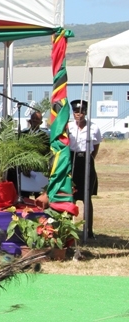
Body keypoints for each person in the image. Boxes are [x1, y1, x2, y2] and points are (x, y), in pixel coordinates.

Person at [68, 99, 102, 238]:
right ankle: (70, 230)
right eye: (76, 111)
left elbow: (96, 146)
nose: (79, 114)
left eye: (81, 111)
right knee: (71, 196)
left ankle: (88, 230)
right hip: (72, 160)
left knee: (87, 198)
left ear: (86, 112)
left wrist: (89, 158)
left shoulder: (94, 127)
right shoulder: (68, 127)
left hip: (86, 161)